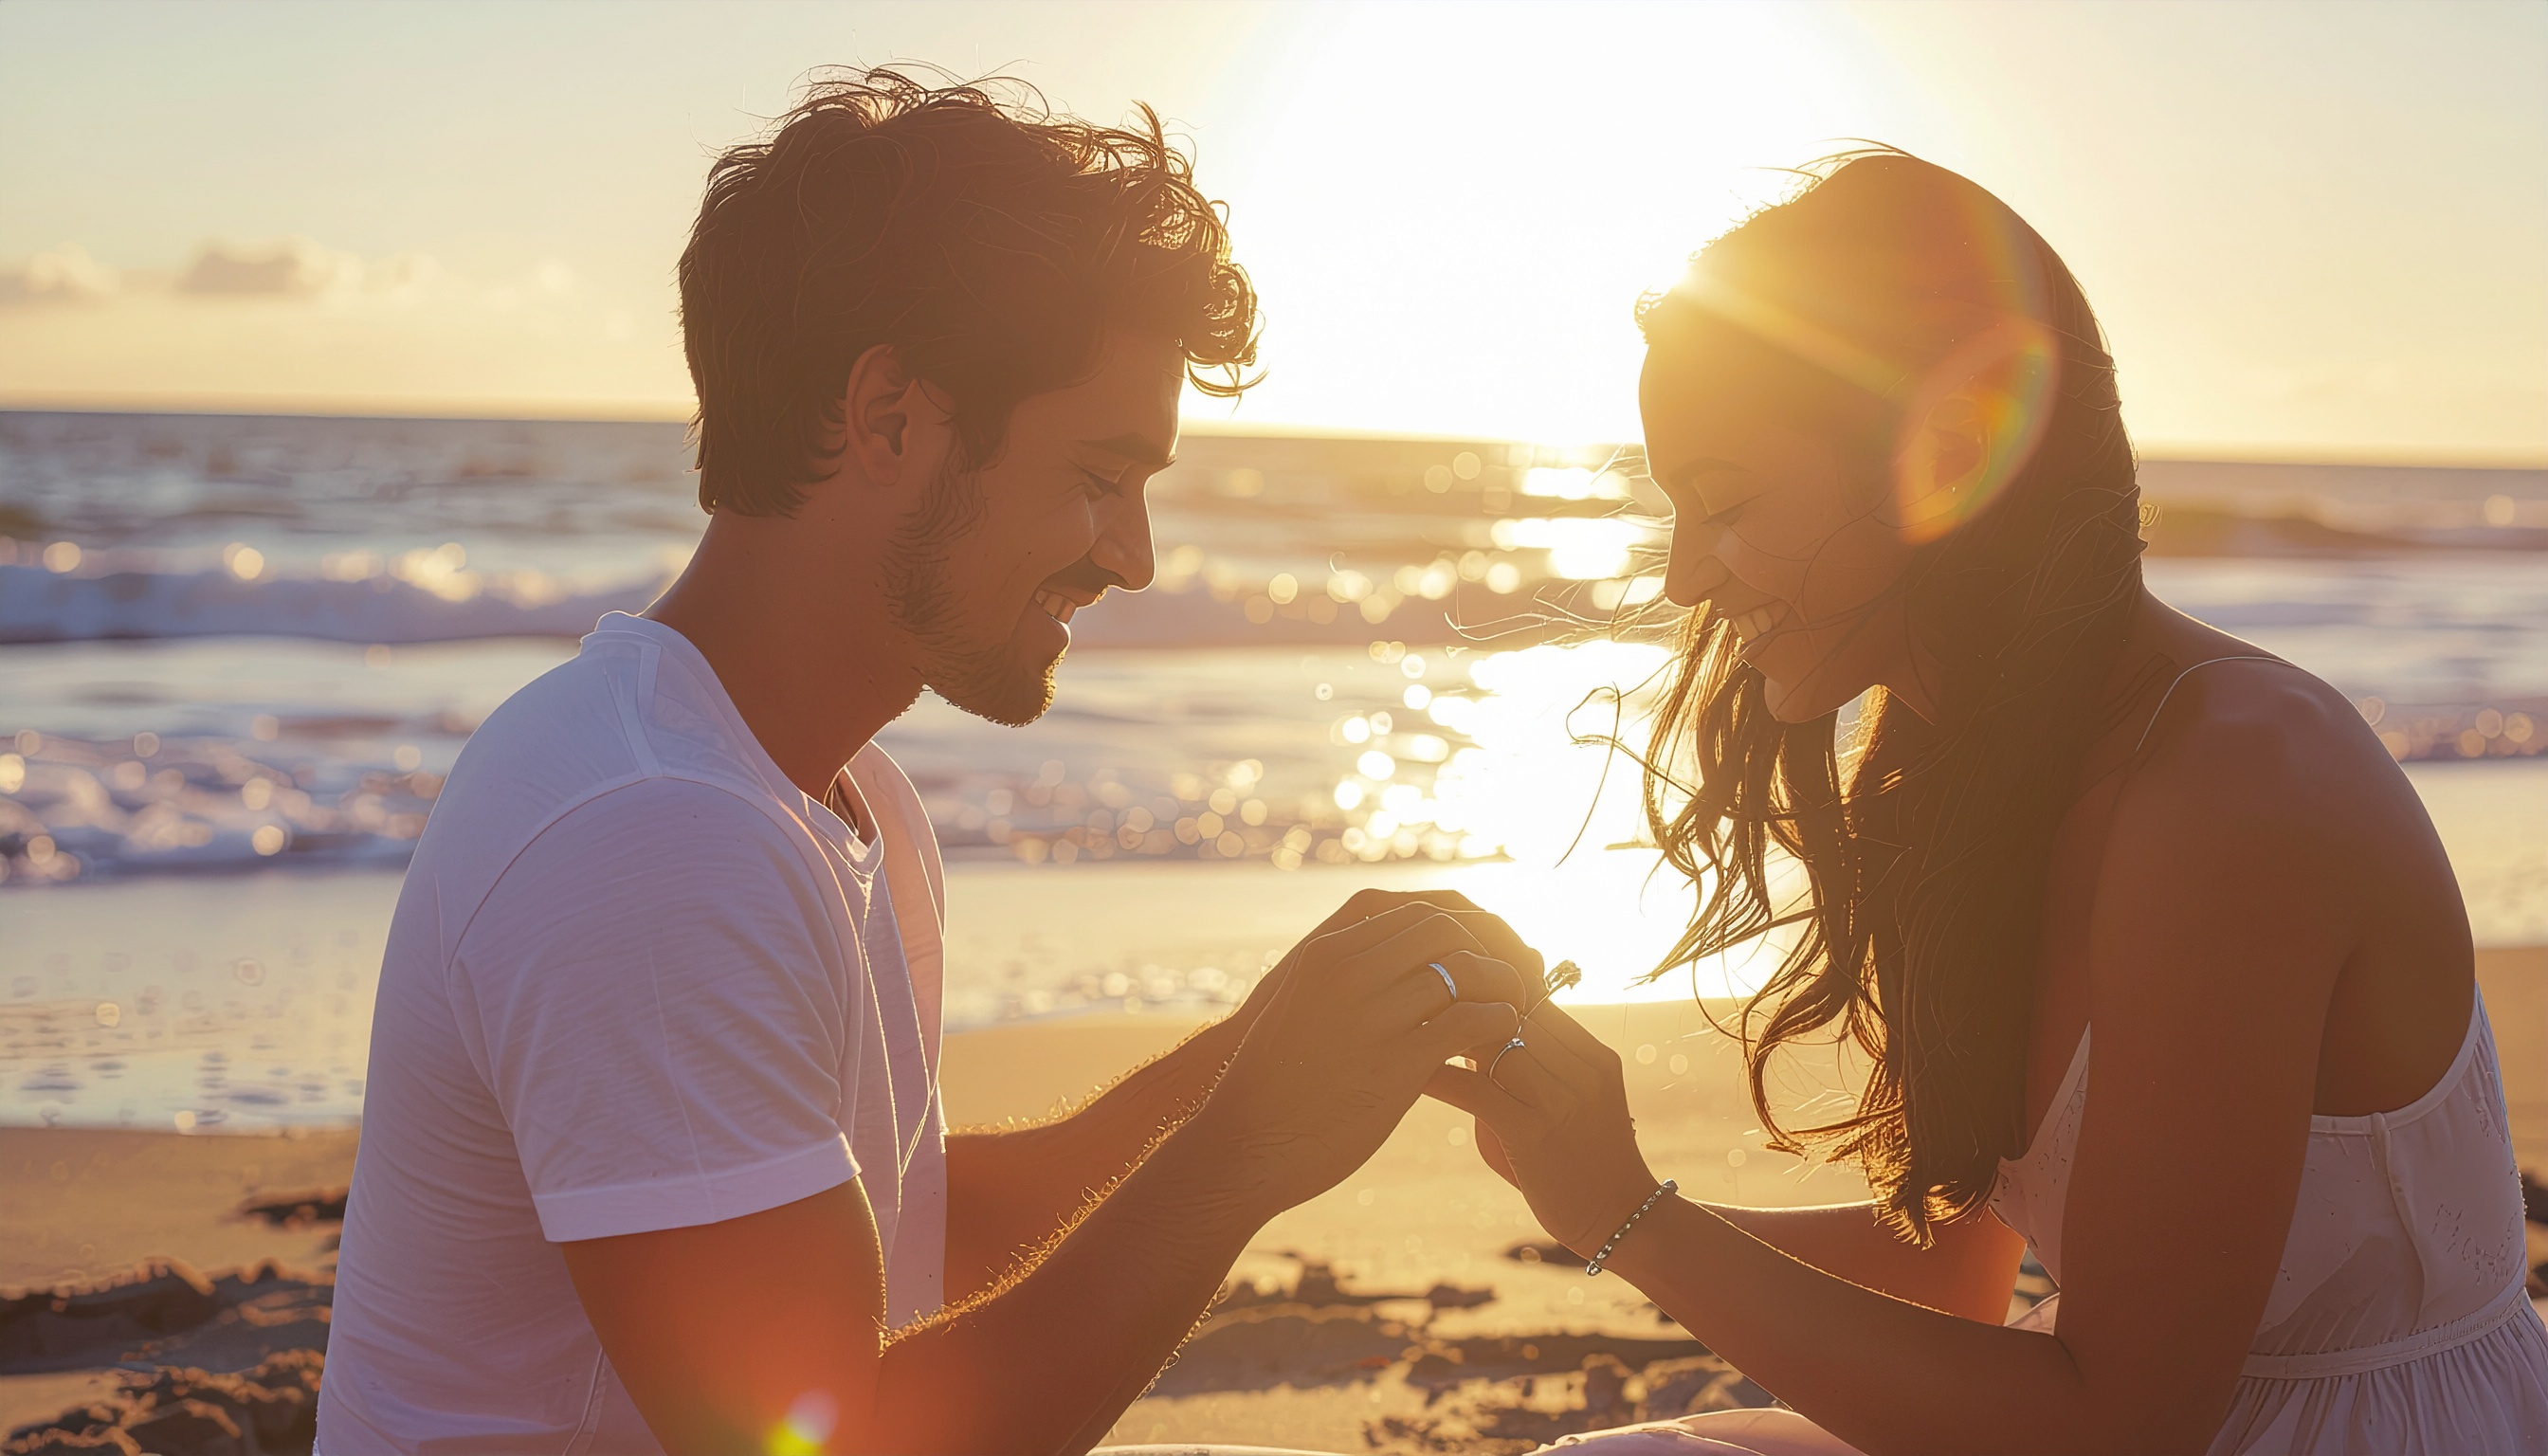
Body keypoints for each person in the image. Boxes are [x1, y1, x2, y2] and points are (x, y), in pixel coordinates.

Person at [317, 69, 1543, 1455]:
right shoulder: (654, 837)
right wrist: (1240, 1154)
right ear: (889, 415)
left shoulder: (833, 796)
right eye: (1098, 475)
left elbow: (912, 1231)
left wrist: (1269, 1051)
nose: (1134, 557)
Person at [1427, 152, 2548, 1454]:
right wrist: (1591, 1189)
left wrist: (1634, 1217)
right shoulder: (1936, 773)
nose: (1683, 577)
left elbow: (2125, 1425)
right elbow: (1956, 1272)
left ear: (1947, 458)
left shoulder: (2233, 788)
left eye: (1723, 503)